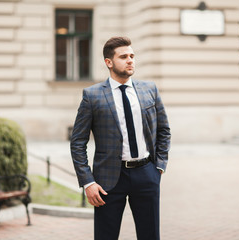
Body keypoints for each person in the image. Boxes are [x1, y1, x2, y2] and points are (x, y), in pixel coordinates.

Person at [70, 36, 171, 240]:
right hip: (108, 180)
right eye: (123, 56)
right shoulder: (93, 95)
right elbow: (78, 142)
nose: (130, 60)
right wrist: (88, 182)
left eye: (132, 56)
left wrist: (159, 165)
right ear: (109, 62)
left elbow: (164, 130)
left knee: (150, 235)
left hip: (146, 174)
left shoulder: (149, 90)